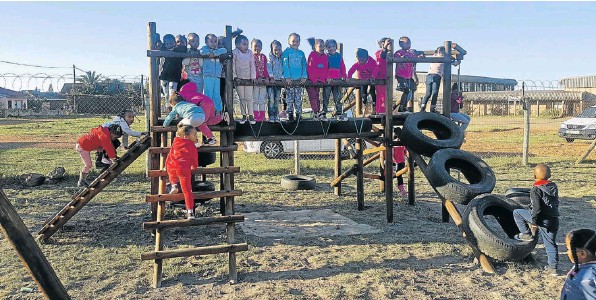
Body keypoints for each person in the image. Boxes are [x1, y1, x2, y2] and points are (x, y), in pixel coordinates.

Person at [513, 163, 560, 275]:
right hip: (554, 219)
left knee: (517, 213)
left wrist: (534, 222)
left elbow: (536, 208)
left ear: (534, 176)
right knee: (551, 243)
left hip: (541, 218)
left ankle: (526, 233)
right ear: (549, 175)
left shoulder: (535, 189)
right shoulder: (553, 186)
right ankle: (553, 268)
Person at [166, 125, 199, 219]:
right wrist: (194, 166)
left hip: (173, 166)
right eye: (194, 134)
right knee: (187, 190)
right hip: (184, 169)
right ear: (186, 136)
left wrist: (167, 165)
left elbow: (170, 155)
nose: (196, 136)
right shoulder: (191, 145)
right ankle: (190, 212)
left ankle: (174, 185)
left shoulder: (175, 143)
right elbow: (194, 158)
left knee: (171, 173)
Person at [560, 229, 596, 299]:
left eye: (569, 249)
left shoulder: (588, 279)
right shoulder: (581, 265)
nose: (567, 252)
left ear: (582, 253)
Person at [282, 33, 308, 122]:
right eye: (293, 41)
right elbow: (285, 65)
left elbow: (304, 65)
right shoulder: (286, 52)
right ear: (289, 42)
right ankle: (289, 114)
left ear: (299, 42)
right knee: (289, 98)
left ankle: (298, 114)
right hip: (290, 80)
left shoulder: (301, 53)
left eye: (297, 41)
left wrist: (304, 76)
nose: (295, 43)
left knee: (298, 98)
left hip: (299, 80)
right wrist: (287, 76)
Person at [200, 33, 228, 116]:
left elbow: (225, 50)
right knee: (208, 94)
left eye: (215, 41)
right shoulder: (205, 48)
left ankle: (218, 111)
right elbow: (202, 52)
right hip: (208, 75)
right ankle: (207, 111)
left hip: (217, 76)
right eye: (211, 41)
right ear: (206, 42)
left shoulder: (218, 50)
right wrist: (210, 53)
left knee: (216, 94)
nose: (213, 43)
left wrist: (214, 53)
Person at [159, 34, 187, 111]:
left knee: (172, 92)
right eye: (167, 43)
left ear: (175, 43)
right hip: (164, 75)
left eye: (171, 43)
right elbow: (159, 46)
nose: (169, 45)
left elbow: (184, 48)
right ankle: (168, 106)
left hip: (174, 75)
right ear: (165, 44)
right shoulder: (163, 50)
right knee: (166, 93)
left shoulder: (177, 50)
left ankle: (174, 107)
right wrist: (160, 44)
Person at [232, 35, 256, 124]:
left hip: (249, 79)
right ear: (237, 45)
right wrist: (234, 77)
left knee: (249, 97)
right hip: (239, 79)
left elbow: (252, 65)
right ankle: (243, 115)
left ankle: (250, 115)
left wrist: (253, 77)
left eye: (247, 44)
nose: (247, 46)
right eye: (244, 44)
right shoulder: (235, 53)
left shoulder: (250, 53)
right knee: (241, 98)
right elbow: (233, 65)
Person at [394, 36, 421, 113]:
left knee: (411, 89)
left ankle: (403, 106)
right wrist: (403, 57)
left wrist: (420, 56)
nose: (409, 44)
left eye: (410, 42)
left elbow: (416, 57)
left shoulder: (410, 53)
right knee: (406, 90)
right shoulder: (399, 52)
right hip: (401, 75)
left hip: (408, 76)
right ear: (401, 44)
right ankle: (402, 107)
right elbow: (397, 57)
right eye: (407, 43)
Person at [348, 48, 377, 116]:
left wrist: (373, 76)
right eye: (359, 60)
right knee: (363, 94)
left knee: (372, 92)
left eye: (362, 60)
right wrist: (349, 78)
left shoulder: (371, 61)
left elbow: (376, 68)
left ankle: (374, 108)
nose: (361, 62)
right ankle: (364, 108)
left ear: (367, 57)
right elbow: (351, 71)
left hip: (371, 79)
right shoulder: (357, 64)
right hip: (362, 80)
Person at [323, 39, 347, 121]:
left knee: (338, 97)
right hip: (328, 80)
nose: (331, 48)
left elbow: (342, 67)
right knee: (326, 96)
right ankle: (324, 112)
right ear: (326, 48)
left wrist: (344, 75)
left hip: (337, 79)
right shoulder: (325, 56)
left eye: (333, 46)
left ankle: (339, 112)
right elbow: (324, 68)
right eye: (329, 47)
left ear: (336, 47)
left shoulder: (339, 56)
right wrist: (327, 76)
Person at [306, 38, 328, 120]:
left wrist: (322, 79)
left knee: (317, 96)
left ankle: (318, 112)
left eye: (323, 46)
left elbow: (325, 68)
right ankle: (315, 112)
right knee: (312, 96)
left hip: (319, 81)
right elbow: (310, 68)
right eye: (320, 46)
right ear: (315, 47)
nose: (322, 48)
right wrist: (313, 79)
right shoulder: (312, 55)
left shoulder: (324, 56)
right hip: (312, 80)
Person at [420, 46, 447, 113]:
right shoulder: (443, 57)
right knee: (433, 93)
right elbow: (453, 62)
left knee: (429, 93)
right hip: (436, 75)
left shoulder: (434, 56)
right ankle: (430, 108)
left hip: (430, 75)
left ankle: (424, 107)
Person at [251, 39, 269, 122]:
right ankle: (255, 115)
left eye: (259, 46)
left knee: (262, 99)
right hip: (255, 82)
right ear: (251, 47)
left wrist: (267, 77)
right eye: (255, 46)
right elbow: (252, 68)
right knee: (255, 99)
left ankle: (262, 115)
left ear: (261, 47)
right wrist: (256, 76)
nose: (257, 48)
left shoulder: (263, 57)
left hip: (263, 82)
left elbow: (265, 68)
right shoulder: (250, 57)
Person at [373, 38, 392, 114]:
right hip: (380, 75)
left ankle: (383, 110)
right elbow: (382, 56)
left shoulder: (388, 53)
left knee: (385, 94)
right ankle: (381, 110)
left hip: (386, 75)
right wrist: (385, 46)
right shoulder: (380, 52)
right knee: (381, 95)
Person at [266, 40, 284, 122]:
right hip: (271, 82)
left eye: (279, 49)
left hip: (279, 81)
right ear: (272, 50)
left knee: (277, 99)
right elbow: (269, 68)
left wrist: (283, 77)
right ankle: (271, 115)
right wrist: (271, 77)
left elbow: (284, 68)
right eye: (275, 50)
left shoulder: (282, 59)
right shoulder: (270, 59)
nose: (277, 51)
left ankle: (276, 115)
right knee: (271, 99)